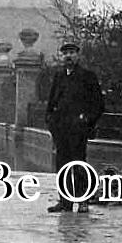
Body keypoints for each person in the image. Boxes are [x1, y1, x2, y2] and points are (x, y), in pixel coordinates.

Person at [45, 41, 104, 213]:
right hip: (61, 130)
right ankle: (65, 202)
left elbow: (99, 104)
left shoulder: (88, 76)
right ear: (62, 56)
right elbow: (51, 102)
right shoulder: (59, 76)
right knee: (62, 167)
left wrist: (87, 120)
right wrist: (50, 121)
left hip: (78, 130)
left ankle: (82, 201)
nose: (68, 56)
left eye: (71, 52)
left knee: (79, 165)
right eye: (65, 53)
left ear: (77, 55)